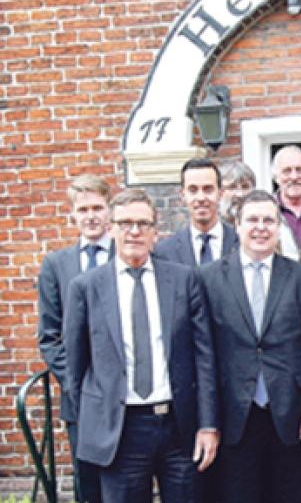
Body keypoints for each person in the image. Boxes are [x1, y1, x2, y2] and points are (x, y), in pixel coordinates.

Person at [64, 189, 219, 503]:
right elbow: (75, 369)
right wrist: (95, 423)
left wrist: (208, 425)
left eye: (143, 224)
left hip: (179, 425)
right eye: (125, 223)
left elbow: (205, 358)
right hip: (121, 430)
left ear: (155, 232)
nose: (134, 231)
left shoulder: (184, 280)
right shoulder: (86, 287)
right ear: (111, 229)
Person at [199, 190, 301, 502]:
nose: (260, 227)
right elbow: (205, 354)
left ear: (278, 225)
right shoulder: (209, 278)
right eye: (252, 220)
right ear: (237, 225)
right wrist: (208, 421)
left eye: (268, 220)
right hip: (235, 415)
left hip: (290, 413)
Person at [37, 174, 114, 503]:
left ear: (109, 210)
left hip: (127, 393)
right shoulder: (57, 264)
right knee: (90, 485)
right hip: (81, 397)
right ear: (72, 214)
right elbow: (50, 336)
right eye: (83, 209)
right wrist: (78, 383)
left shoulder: (127, 257)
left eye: (97, 207)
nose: (91, 215)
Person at [155, 158, 238, 266]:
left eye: (208, 189)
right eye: (193, 190)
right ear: (182, 195)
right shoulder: (165, 252)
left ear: (220, 193)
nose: (201, 198)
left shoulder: (241, 243)